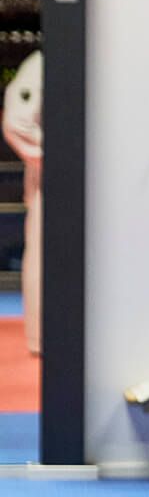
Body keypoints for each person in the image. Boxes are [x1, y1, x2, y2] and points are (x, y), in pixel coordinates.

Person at [3, 50, 41, 356]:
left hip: (83, 180)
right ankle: (42, 336)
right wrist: (58, 155)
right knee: (45, 254)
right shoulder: (41, 66)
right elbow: (17, 122)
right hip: (54, 182)